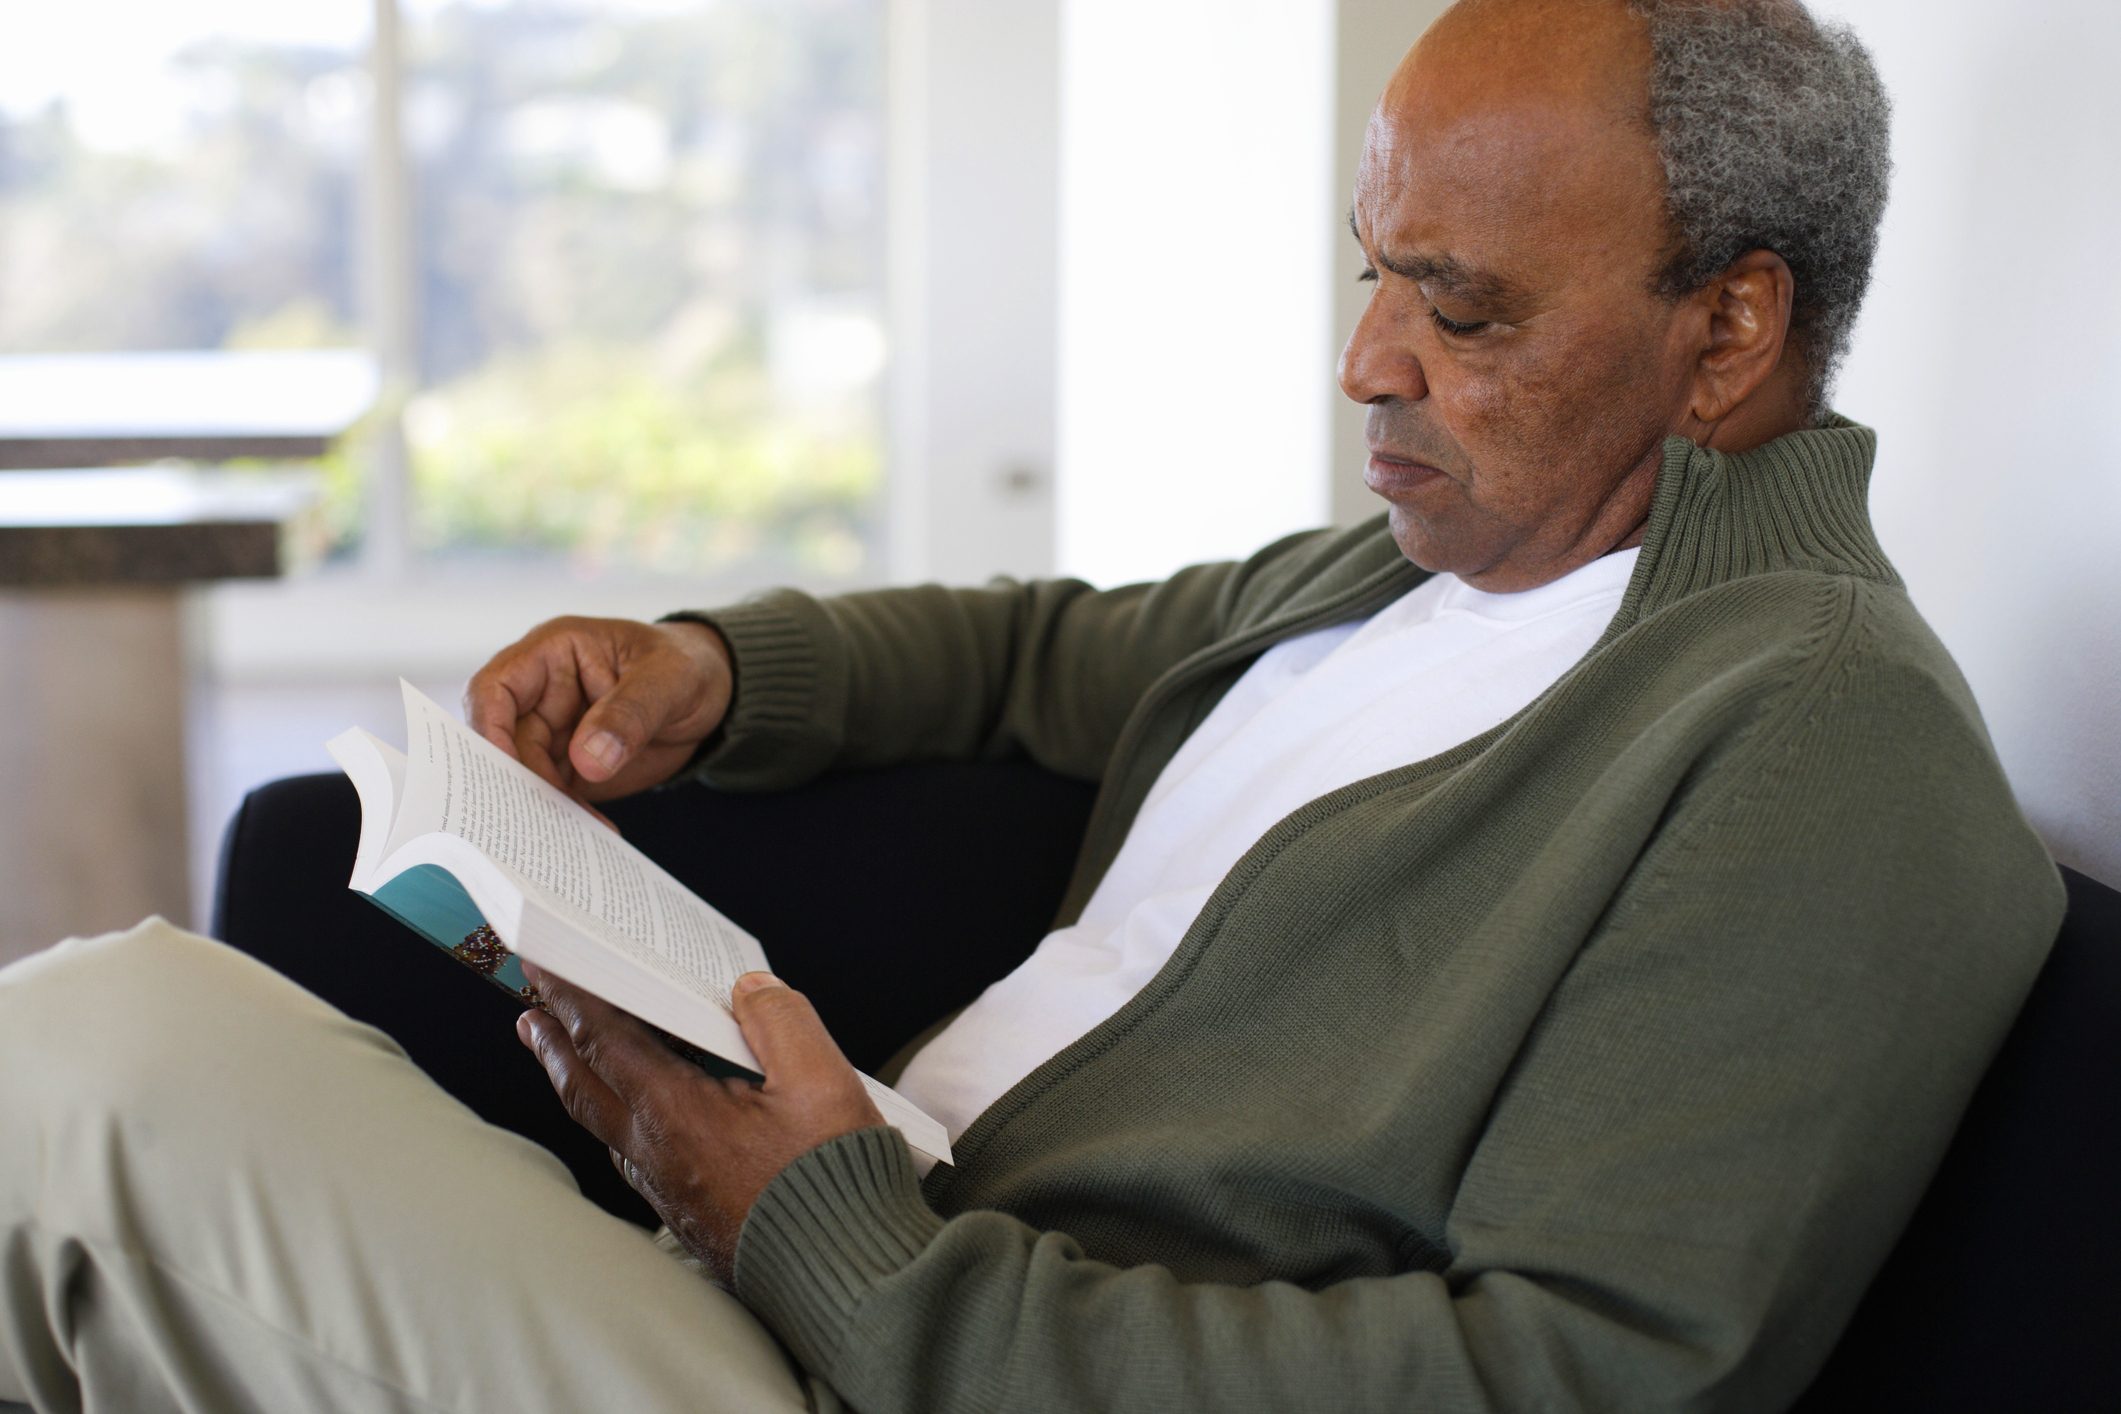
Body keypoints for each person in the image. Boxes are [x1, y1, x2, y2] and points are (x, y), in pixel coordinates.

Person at [0, 0, 2064, 1410]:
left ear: (1726, 334)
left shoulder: (1818, 740)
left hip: (879, 1347)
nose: (1363, 363)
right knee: (141, 1055)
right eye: (1372, 270)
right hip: (827, 1286)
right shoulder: (1430, 558)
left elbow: (1571, 1373)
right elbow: (1046, 648)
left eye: (1456, 306)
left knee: (92, 1054)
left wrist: (840, 1246)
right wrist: (708, 670)